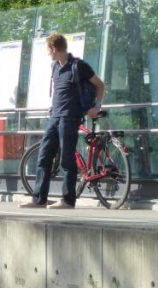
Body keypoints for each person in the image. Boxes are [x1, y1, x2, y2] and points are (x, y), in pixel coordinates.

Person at [21, 33, 105, 209]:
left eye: (48, 50)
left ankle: (68, 200)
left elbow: (100, 84)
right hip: (55, 116)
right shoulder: (55, 67)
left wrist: (96, 107)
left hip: (70, 117)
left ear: (54, 49)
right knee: (44, 156)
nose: (48, 54)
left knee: (67, 159)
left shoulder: (78, 66)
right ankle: (39, 199)